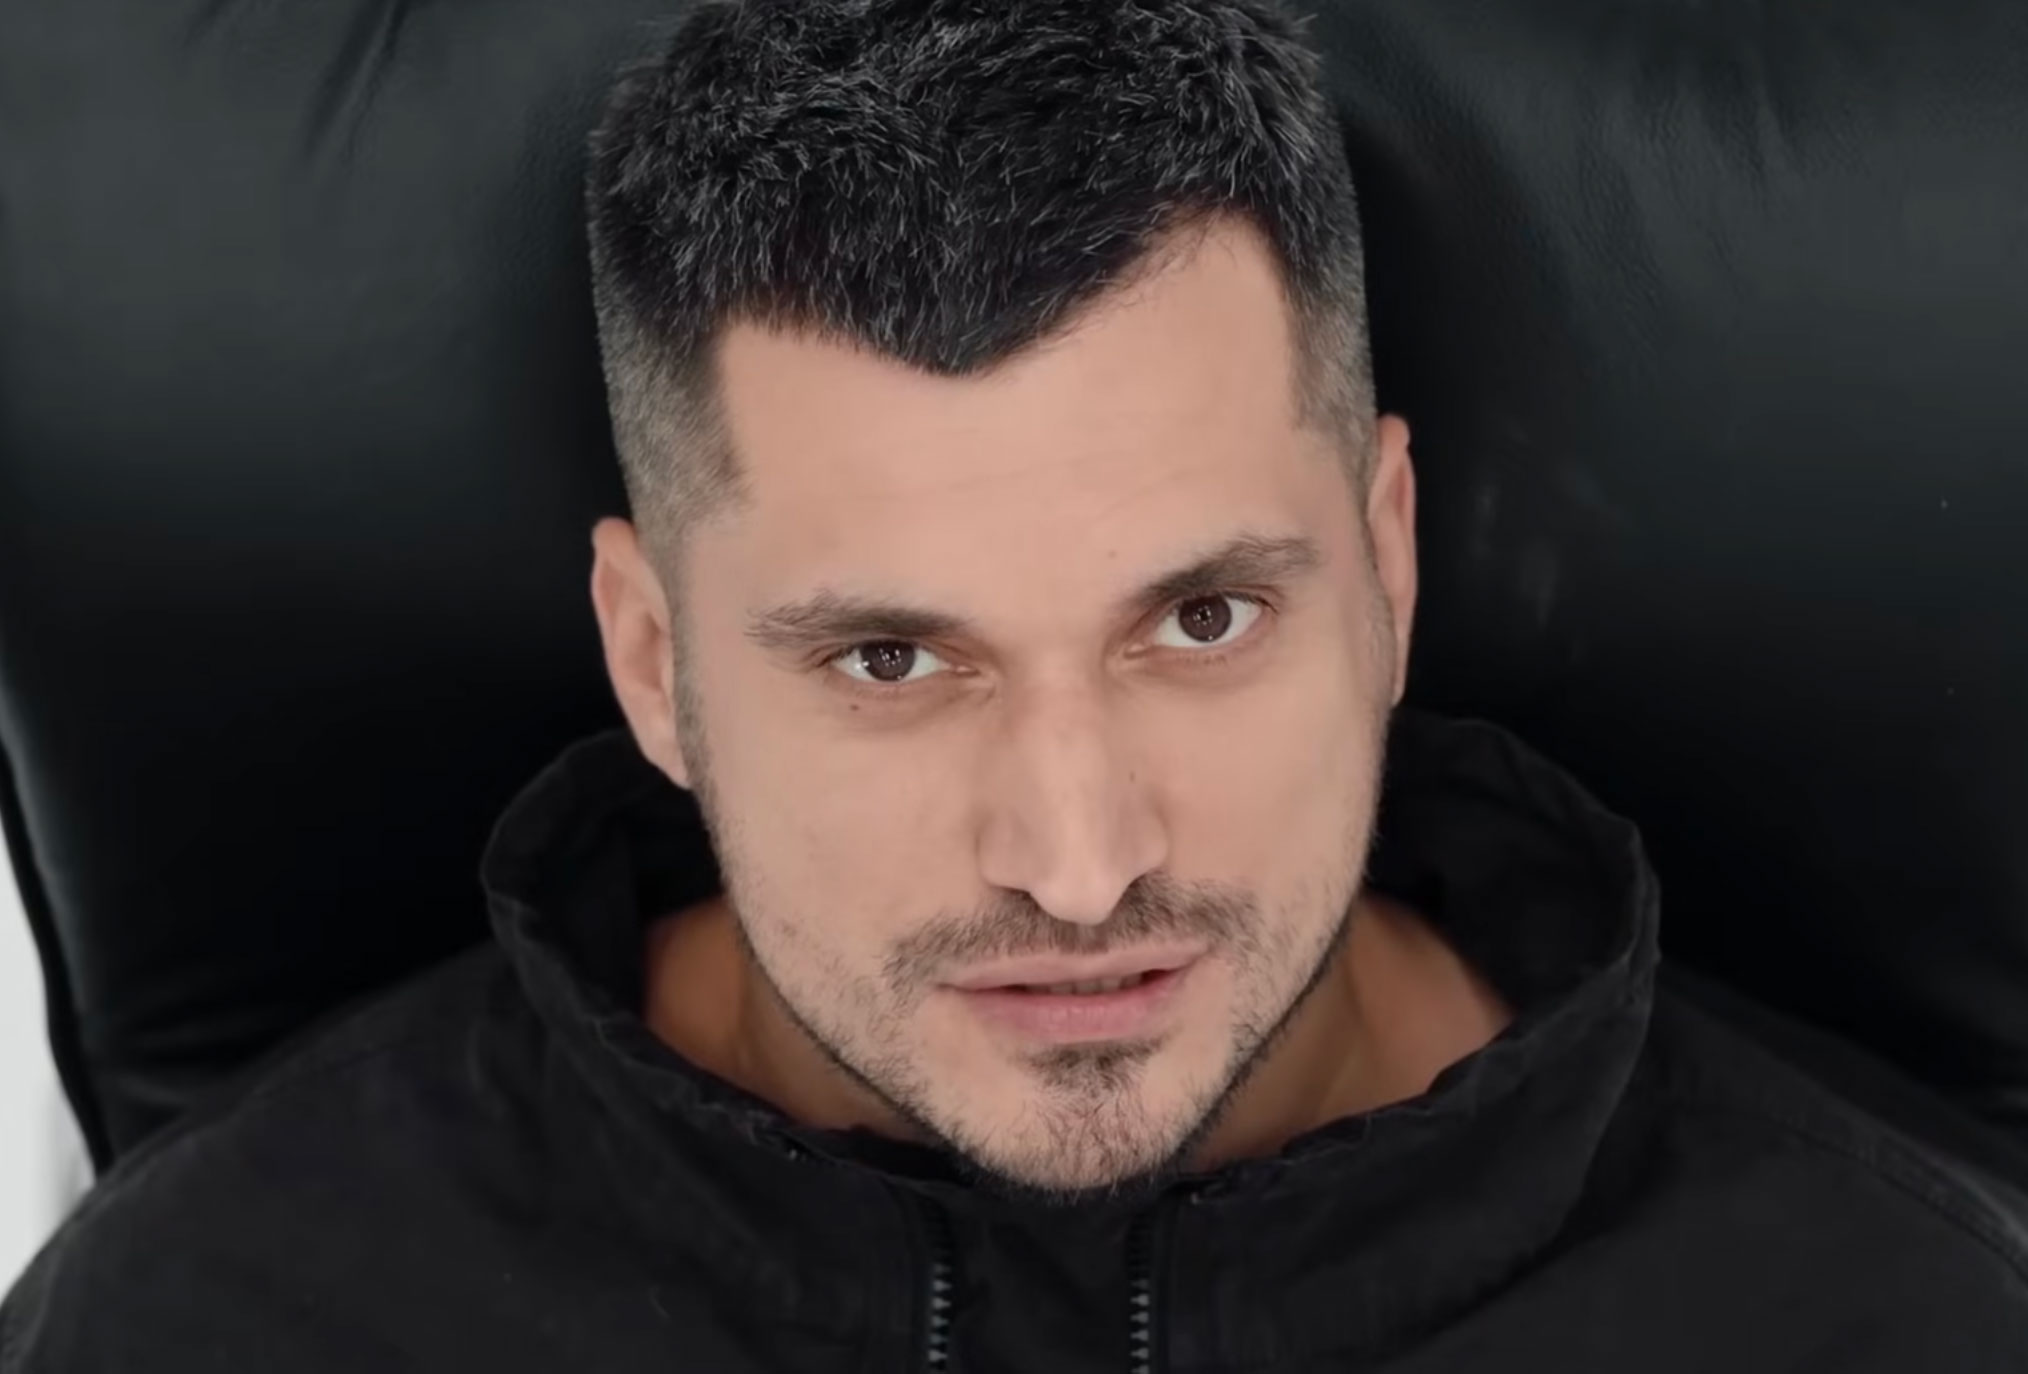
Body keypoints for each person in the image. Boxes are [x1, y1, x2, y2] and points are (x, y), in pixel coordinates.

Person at [5, 0, 2027, 1369]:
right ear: (656, 661)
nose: (1079, 865)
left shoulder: (1903, 1314)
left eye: (1202, 621)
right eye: (891, 658)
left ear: (1388, 566)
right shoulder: (209, 1319)